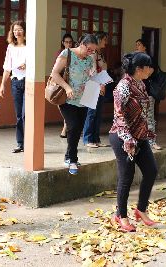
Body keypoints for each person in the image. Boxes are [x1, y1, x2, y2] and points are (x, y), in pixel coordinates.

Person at [109, 52, 158, 232]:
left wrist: (149, 133)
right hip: (122, 137)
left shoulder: (141, 84)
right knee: (126, 176)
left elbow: (145, 113)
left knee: (151, 171)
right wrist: (128, 140)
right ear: (139, 69)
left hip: (140, 136)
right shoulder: (123, 86)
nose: (151, 69)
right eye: (149, 66)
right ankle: (120, 215)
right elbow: (119, 115)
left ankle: (141, 210)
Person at [51, 34, 98, 175]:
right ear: (82, 44)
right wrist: (67, 87)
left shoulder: (89, 60)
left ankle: (68, 156)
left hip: (83, 99)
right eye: (89, 49)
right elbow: (54, 74)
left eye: (93, 51)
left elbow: (90, 76)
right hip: (67, 98)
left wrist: (98, 83)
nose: (91, 53)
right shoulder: (67, 53)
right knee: (73, 126)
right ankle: (72, 159)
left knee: (77, 130)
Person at [0, 20, 26, 153]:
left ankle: (29, 142)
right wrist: (2, 84)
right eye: (15, 30)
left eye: (20, 29)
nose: (17, 32)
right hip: (15, 82)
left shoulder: (30, 46)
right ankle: (20, 143)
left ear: (25, 31)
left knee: (26, 113)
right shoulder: (11, 47)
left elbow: (36, 63)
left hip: (28, 81)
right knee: (19, 115)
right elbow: (7, 67)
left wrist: (28, 65)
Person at [135, 39, 162, 150]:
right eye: (136, 45)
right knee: (136, 117)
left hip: (148, 92)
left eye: (139, 45)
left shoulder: (149, 59)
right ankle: (138, 141)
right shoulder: (135, 59)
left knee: (149, 118)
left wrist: (140, 73)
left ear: (144, 47)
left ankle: (152, 142)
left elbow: (149, 72)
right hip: (136, 92)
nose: (136, 47)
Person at [83, 31, 109, 148]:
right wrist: (101, 85)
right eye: (104, 40)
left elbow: (103, 69)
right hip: (92, 85)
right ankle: (88, 139)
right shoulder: (92, 53)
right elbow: (93, 71)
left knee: (98, 114)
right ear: (98, 40)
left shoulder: (100, 53)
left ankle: (96, 138)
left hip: (99, 84)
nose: (106, 42)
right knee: (91, 113)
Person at [56, 33, 74, 139]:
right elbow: (56, 69)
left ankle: (65, 128)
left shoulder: (73, 53)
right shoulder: (61, 53)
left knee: (69, 105)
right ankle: (67, 126)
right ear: (63, 43)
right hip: (61, 82)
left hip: (71, 82)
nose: (68, 44)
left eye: (70, 42)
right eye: (66, 42)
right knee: (61, 104)